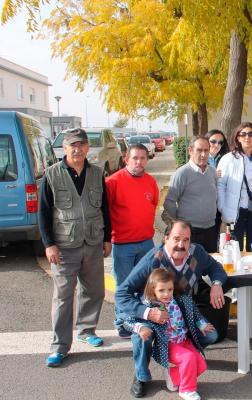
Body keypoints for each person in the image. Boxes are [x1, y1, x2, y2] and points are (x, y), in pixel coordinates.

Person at [115, 219, 226, 398]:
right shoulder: (153, 260)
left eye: (186, 240)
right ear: (166, 238)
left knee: (211, 334)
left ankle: (180, 363)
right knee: (141, 336)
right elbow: (122, 294)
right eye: (176, 239)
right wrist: (148, 313)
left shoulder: (197, 253)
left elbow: (216, 268)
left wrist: (217, 283)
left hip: (181, 317)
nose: (181, 245)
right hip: (154, 318)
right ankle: (141, 375)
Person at [39, 127, 112, 367]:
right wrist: (49, 244)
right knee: (63, 297)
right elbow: (44, 213)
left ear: (87, 148)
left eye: (81, 145)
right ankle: (59, 346)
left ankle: (86, 330)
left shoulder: (96, 173)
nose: (77, 149)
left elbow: (104, 207)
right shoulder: (52, 174)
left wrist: (106, 238)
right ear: (65, 148)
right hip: (64, 245)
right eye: (73, 145)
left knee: (95, 291)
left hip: (92, 242)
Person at [125, 268, 212, 400]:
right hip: (168, 344)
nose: (166, 294)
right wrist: (141, 327)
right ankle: (187, 390)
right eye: (161, 290)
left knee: (201, 365)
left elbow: (194, 313)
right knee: (188, 359)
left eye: (169, 289)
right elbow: (128, 321)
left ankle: (172, 376)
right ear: (152, 289)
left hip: (184, 340)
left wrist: (202, 324)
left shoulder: (180, 300)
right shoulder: (149, 306)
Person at [106, 143, 159, 339]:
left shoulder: (150, 182)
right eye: (135, 158)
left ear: (147, 159)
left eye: (142, 158)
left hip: (146, 243)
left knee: (144, 286)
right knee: (123, 286)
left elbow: (152, 204)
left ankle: (139, 319)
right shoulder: (113, 182)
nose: (139, 162)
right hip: (122, 244)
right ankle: (122, 322)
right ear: (126, 159)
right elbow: (105, 213)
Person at [217, 122, 252, 251]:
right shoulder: (228, 159)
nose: (247, 137)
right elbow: (221, 185)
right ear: (238, 137)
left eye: (250, 134)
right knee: (234, 248)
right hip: (236, 211)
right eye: (243, 134)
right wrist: (223, 207)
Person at [164, 137, 219, 252]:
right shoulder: (182, 173)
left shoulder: (213, 172)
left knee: (209, 264)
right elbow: (169, 201)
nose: (203, 154)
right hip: (190, 231)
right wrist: (181, 221)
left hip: (210, 229)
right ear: (190, 151)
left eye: (206, 150)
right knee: (190, 266)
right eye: (199, 150)